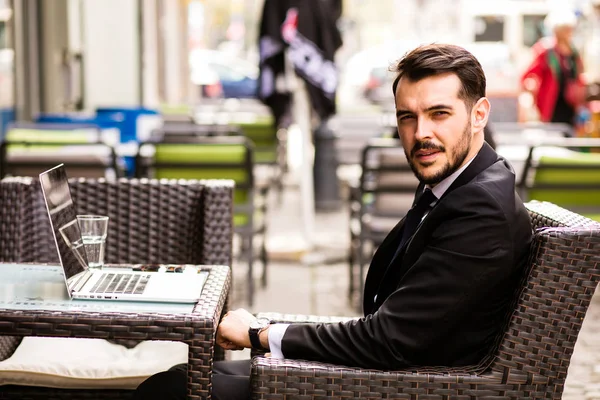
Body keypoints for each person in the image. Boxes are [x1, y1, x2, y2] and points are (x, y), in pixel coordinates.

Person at [134, 43, 533, 400]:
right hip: (387, 373)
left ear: (479, 114)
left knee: (168, 389)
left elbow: (389, 340)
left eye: (438, 114)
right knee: (176, 378)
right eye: (407, 117)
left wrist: (260, 334)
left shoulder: (480, 207)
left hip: (400, 386)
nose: (420, 133)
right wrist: (268, 330)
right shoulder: (456, 181)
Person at [520, 9, 585, 126]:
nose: (568, 33)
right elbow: (529, 75)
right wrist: (531, 86)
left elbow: (579, 76)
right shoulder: (545, 50)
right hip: (550, 108)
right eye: (565, 29)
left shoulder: (574, 53)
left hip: (570, 107)